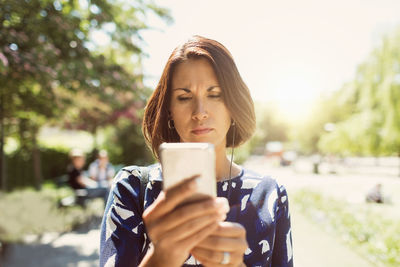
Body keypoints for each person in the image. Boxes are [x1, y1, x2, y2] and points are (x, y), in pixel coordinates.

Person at [100, 36, 293, 267]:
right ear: (169, 110)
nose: (200, 112)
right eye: (184, 97)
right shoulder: (132, 188)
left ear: (233, 105)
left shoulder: (270, 193)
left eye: (215, 94)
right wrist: (162, 256)